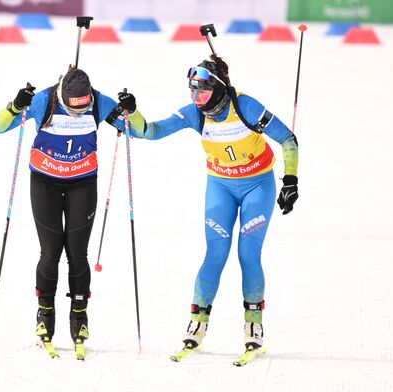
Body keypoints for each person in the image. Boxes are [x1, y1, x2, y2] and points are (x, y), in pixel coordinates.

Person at [121, 55, 299, 357]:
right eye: (192, 91)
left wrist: (290, 181)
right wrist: (132, 113)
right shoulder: (195, 113)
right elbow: (150, 131)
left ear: (217, 88)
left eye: (202, 91)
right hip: (220, 187)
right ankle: (197, 323)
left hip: (258, 185)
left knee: (247, 253)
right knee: (215, 253)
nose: (196, 98)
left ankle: (253, 325)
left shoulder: (245, 106)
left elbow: (288, 139)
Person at [0, 66, 135, 358]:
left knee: (78, 253)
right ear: (62, 95)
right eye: (73, 106)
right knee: (50, 252)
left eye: (85, 106)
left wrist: (131, 110)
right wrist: (16, 105)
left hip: (83, 182)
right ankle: (45, 315)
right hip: (45, 182)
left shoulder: (97, 101)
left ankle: (79, 318)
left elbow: (135, 129)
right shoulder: (45, 101)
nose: (80, 112)